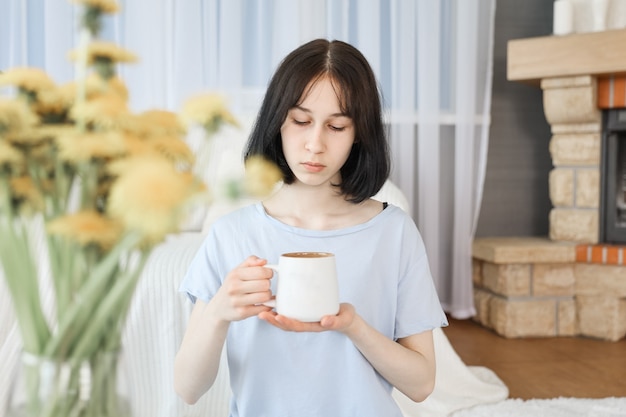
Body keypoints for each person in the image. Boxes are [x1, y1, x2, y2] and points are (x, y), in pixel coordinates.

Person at [174, 38, 448, 417]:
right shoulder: (231, 234)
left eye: (336, 126)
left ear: (358, 134)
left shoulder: (394, 232)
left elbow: (422, 385)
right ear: (277, 123)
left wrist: (353, 325)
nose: (314, 144)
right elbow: (188, 389)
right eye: (301, 122)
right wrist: (219, 312)